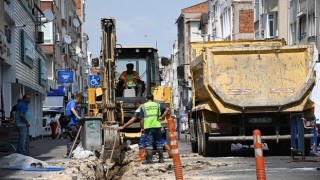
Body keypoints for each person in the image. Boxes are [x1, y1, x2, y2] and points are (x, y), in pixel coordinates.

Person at [139, 94, 170, 164]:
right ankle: (161, 159)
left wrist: (142, 127)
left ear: (146, 99)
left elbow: (141, 119)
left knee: (149, 143)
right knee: (159, 142)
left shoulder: (143, 106)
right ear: (153, 99)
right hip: (157, 126)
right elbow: (167, 109)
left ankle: (150, 160)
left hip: (148, 127)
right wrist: (162, 117)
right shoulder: (157, 105)